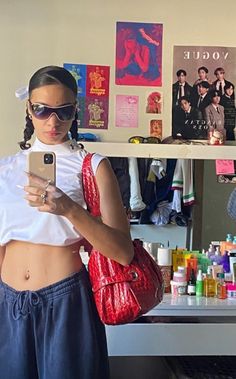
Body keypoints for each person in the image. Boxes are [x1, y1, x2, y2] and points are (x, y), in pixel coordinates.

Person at [0, 65, 134, 379]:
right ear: (29, 110)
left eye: (63, 111)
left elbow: (123, 252)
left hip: (66, 302)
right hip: (7, 301)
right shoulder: (5, 169)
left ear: (76, 112)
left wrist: (70, 209)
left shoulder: (93, 166)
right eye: (42, 110)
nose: (53, 121)